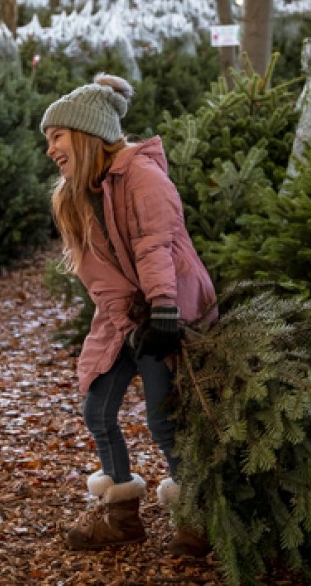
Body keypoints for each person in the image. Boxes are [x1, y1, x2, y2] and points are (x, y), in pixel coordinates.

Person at [40, 73, 216, 555]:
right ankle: (120, 516)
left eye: (57, 136)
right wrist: (127, 321)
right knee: (97, 406)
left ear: (86, 132)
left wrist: (162, 313)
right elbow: (99, 274)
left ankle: (194, 514)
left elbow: (155, 245)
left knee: (164, 419)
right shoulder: (71, 197)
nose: (51, 149)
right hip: (124, 315)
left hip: (171, 307)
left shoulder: (142, 175)